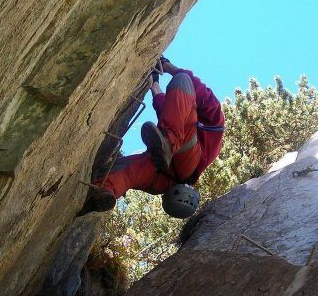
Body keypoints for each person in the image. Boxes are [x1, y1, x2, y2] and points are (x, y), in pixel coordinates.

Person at [79, 56, 225, 218]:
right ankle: (103, 191)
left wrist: (168, 67)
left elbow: (192, 96)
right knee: (129, 173)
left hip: (182, 159)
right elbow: (173, 109)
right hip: (172, 164)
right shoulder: (211, 128)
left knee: (182, 80)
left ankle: (105, 189)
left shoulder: (214, 124)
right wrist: (154, 84)